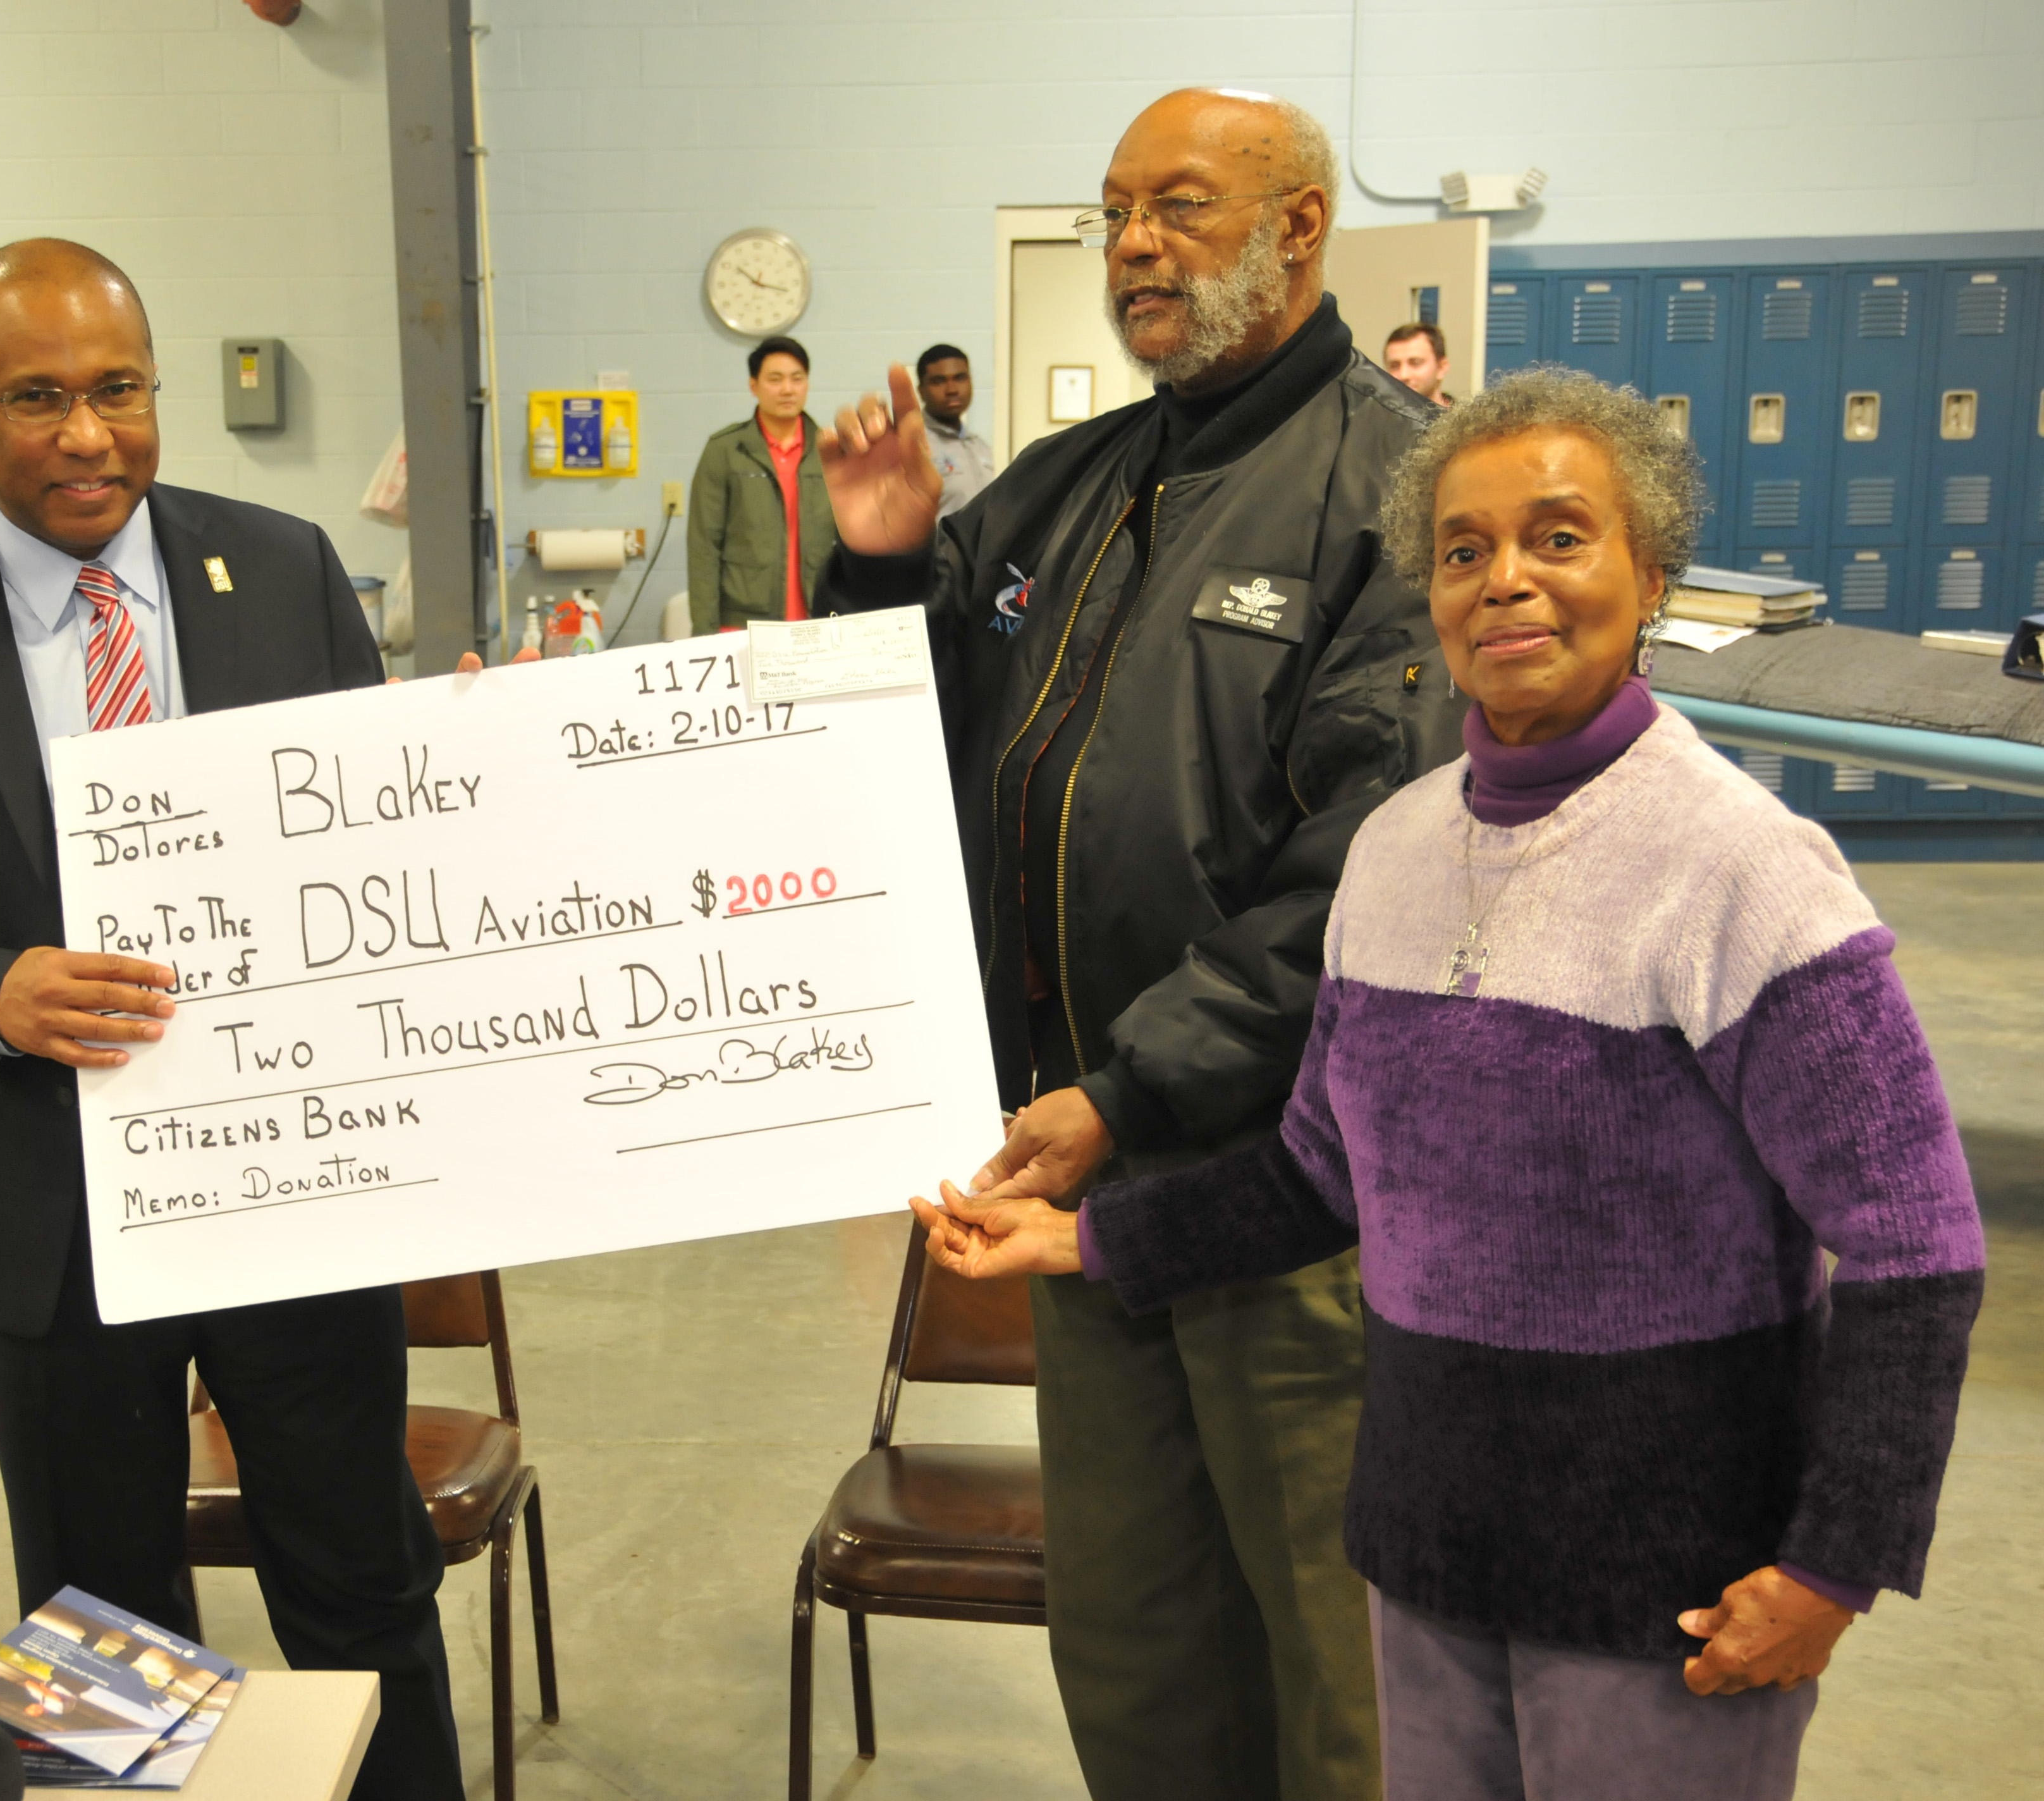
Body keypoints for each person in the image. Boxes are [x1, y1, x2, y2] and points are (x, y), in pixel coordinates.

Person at [913, 364, 1985, 1801]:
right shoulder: (1393, 851)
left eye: (1556, 535)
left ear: (1647, 568)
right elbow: (1314, 1174)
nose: (1505, 581)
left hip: (1662, 1590)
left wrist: (1832, 1559)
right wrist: (1083, 1235)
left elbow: (1914, 1238)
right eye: (1463, 549)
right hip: (1422, 1561)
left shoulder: (1740, 869)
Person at [0, 239, 465, 1801]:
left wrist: (473, 769)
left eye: (120, 389)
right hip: (36, 1196)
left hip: (290, 1174)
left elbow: (371, 834)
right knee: (98, 1620)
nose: (89, 434)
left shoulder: (279, 571)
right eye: (39, 397)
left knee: (356, 1580)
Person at [812, 88, 1457, 1800]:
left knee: (1339, 1675)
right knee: (1138, 1645)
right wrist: (880, 573)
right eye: (1114, 216)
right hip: (1080, 1191)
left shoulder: (1394, 496)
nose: (1135, 247)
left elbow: (1362, 879)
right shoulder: (1065, 485)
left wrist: (1136, 1091)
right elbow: (905, 737)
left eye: (1179, 208)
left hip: (1290, 1213)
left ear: (1301, 228)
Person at [686, 335, 835, 632]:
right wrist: (704, 633)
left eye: (797, 379)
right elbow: (704, 547)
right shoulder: (726, 450)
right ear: (753, 386)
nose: (787, 390)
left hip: (817, 619)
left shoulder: (830, 450)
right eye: (775, 379)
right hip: (742, 623)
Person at [915, 343, 996, 513]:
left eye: (960, 378)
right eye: (939, 381)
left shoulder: (981, 447)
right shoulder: (915, 446)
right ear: (922, 391)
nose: (952, 390)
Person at [1383, 321, 1451, 404]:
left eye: (1416, 363)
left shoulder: (1466, 417)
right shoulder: (1374, 416)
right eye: (1394, 366)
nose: (1404, 375)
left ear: (1441, 368)